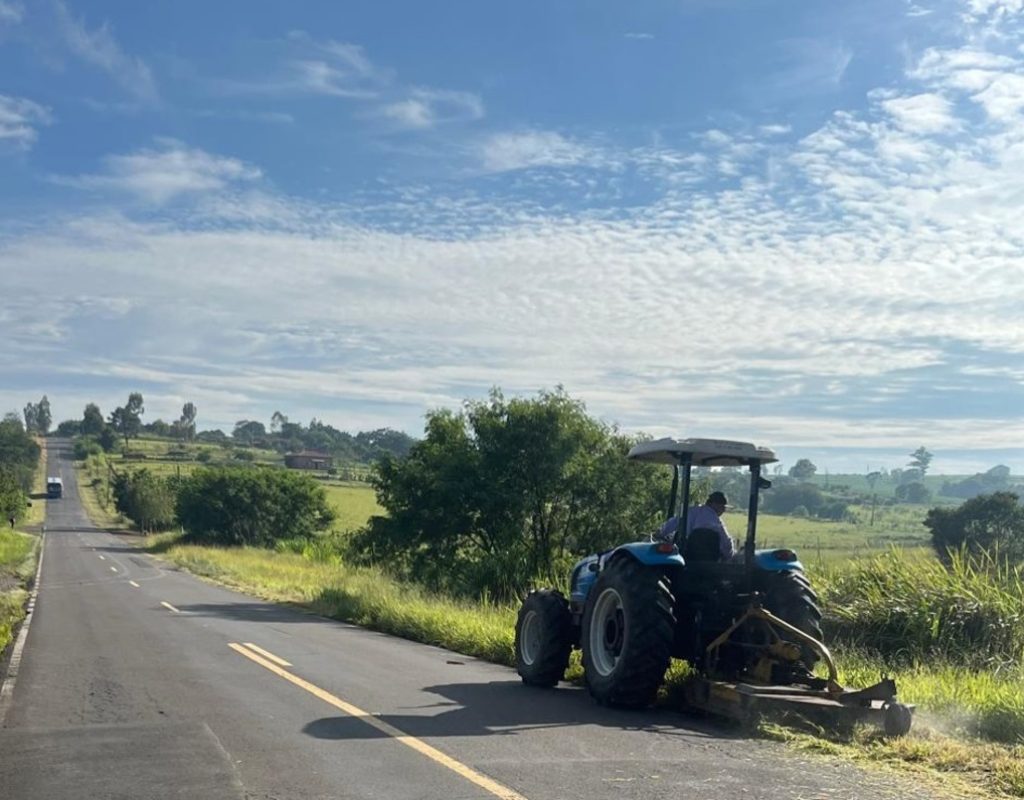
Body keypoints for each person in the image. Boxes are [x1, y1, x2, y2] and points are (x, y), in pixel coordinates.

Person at [657, 491, 735, 560]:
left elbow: (670, 525)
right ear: (715, 504)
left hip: (686, 557)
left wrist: (660, 534)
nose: (723, 510)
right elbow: (727, 545)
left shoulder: (690, 512)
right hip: (710, 563)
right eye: (722, 507)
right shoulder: (717, 522)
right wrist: (729, 556)